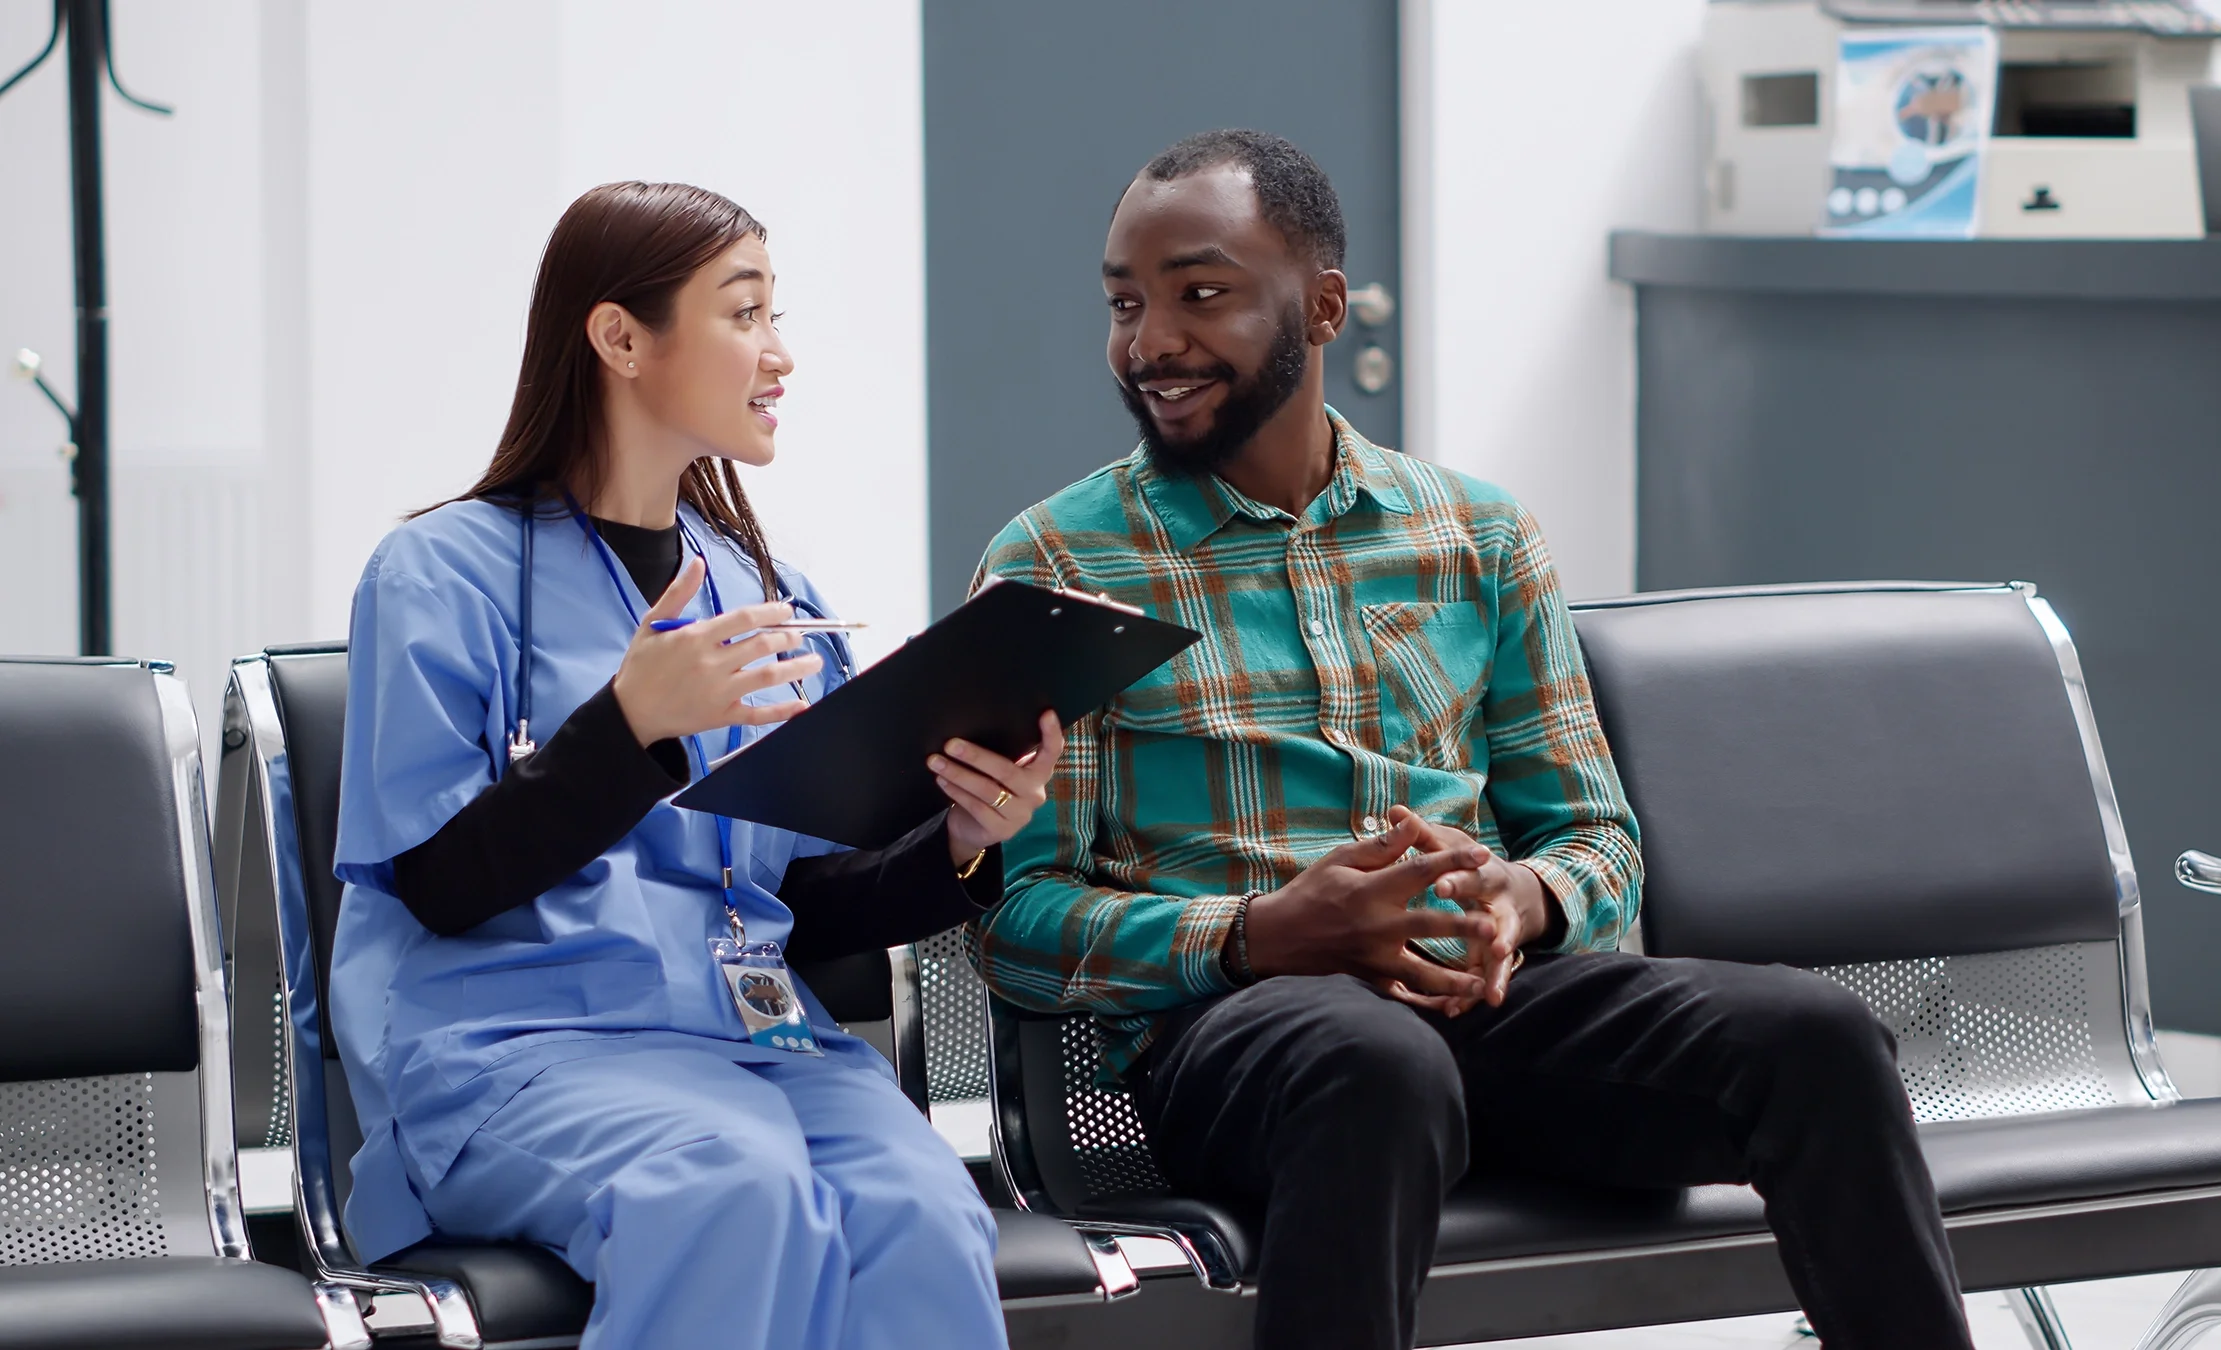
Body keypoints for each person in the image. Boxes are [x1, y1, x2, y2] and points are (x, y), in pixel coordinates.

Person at [968, 130, 1976, 1350]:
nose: (1151, 342)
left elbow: (1596, 839)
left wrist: (1523, 902)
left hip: (1490, 1013)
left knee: (1818, 1041)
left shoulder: (1476, 537)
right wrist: (1257, 934)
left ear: (1323, 306)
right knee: (1372, 1064)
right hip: (1238, 1043)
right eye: (1127, 304)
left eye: (1202, 294)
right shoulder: (1060, 566)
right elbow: (1017, 926)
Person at [331, 181, 1057, 1350]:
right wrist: (627, 730)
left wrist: (965, 843)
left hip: (753, 1045)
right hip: (510, 1055)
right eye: (745, 313)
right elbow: (437, 883)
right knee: (730, 1189)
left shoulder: (766, 596)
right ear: (620, 337)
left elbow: (805, 904)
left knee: (922, 1210)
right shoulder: (439, 575)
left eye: (777, 315)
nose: (781, 355)